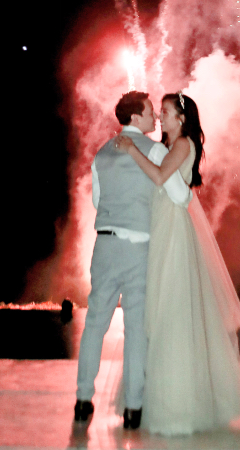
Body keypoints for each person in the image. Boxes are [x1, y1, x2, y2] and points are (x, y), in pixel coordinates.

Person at [116, 92, 240, 436]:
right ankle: (146, 395)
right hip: (160, 225)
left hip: (172, 230)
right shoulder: (169, 146)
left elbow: (161, 178)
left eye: (167, 111)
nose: (160, 115)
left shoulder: (183, 144)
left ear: (181, 118)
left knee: (170, 310)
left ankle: (175, 404)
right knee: (155, 311)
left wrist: (132, 150)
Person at [74, 90, 192, 431]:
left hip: (104, 245)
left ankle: (83, 400)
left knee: (95, 323)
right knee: (136, 329)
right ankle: (133, 409)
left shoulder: (101, 152)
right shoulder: (155, 150)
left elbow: (98, 200)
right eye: (151, 112)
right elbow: (178, 195)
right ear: (136, 117)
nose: (156, 118)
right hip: (139, 248)